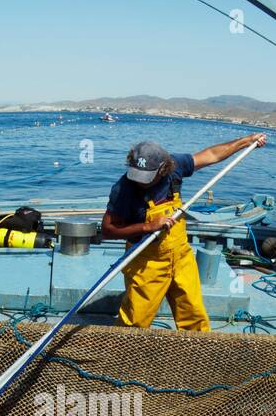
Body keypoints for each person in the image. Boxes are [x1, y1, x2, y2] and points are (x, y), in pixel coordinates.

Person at [102, 133, 266, 332]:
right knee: (135, 320)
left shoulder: (175, 166)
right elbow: (108, 230)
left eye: (146, 177)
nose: (140, 181)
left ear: (163, 169)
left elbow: (212, 155)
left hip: (181, 256)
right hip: (146, 261)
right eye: (137, 173)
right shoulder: (124, 189)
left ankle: (195, 356)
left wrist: (245, 142)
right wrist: (147, 227)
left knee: (193, 315)